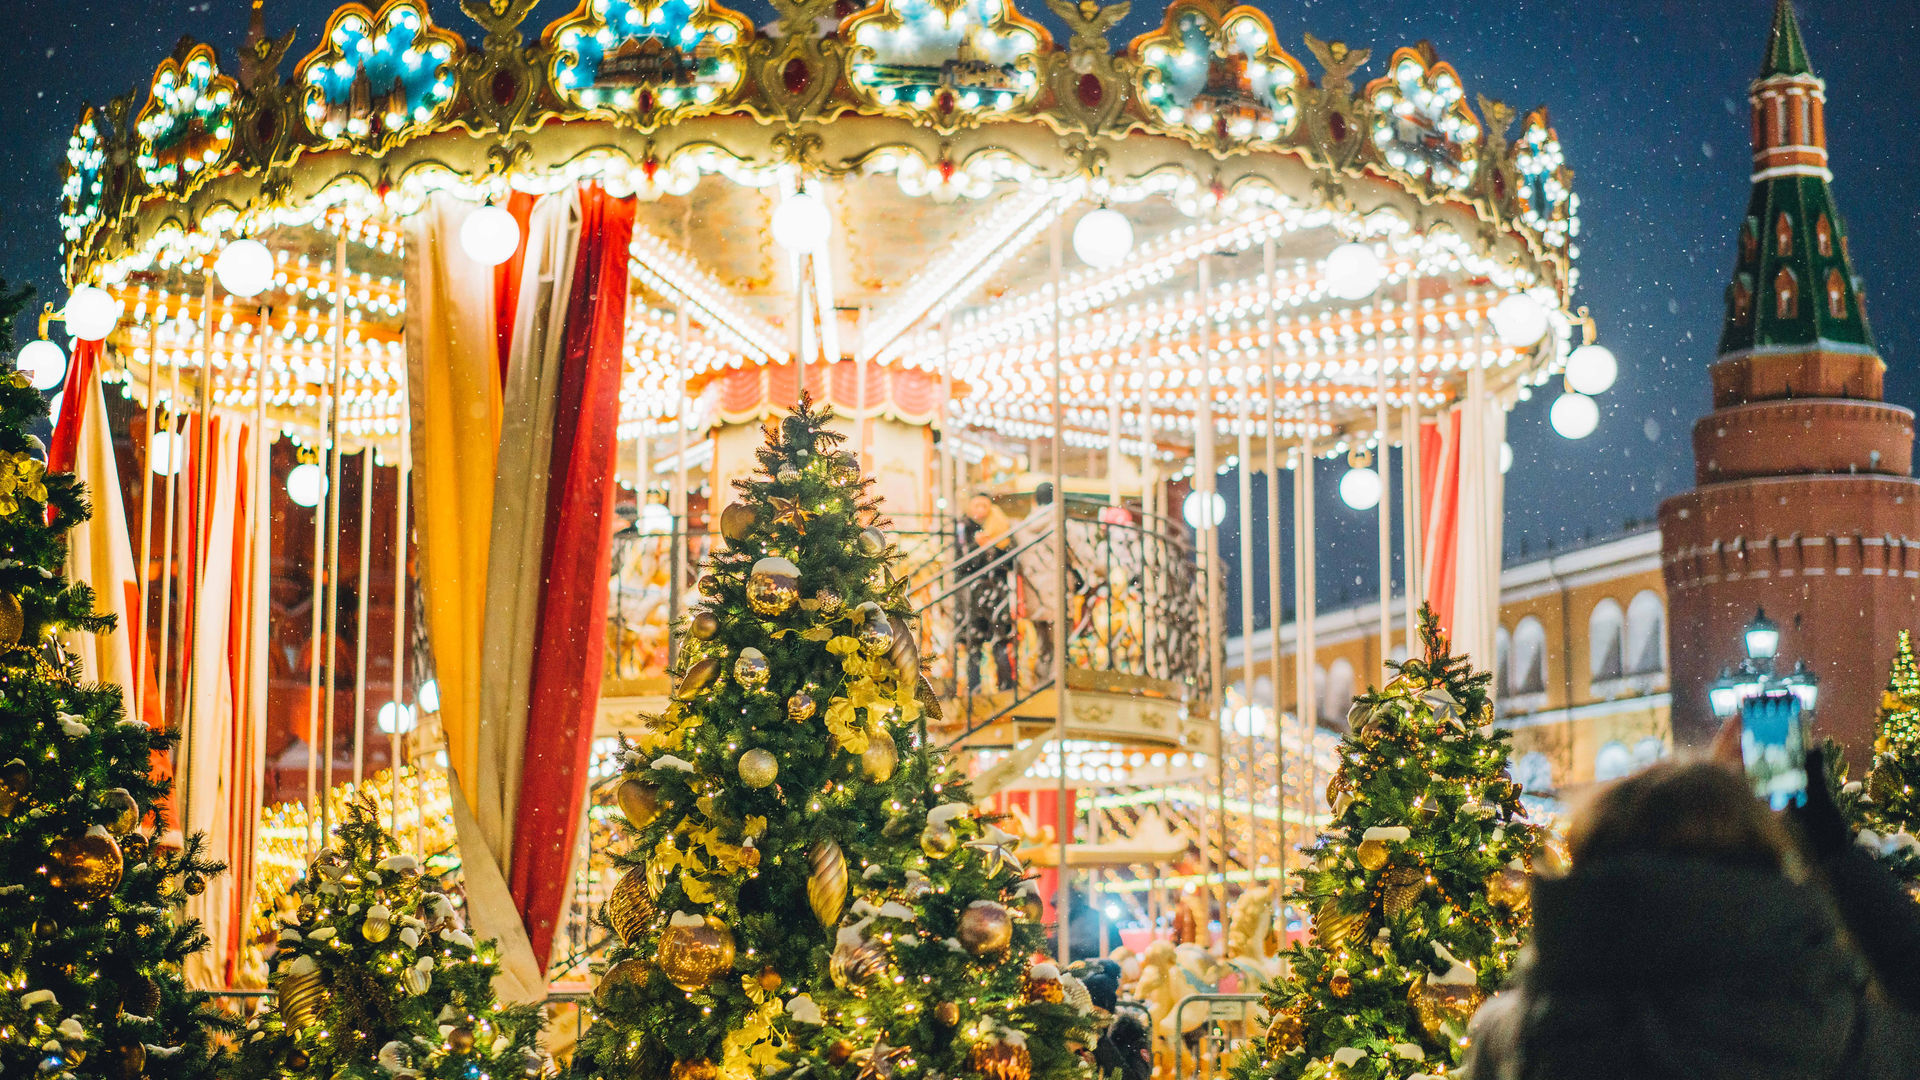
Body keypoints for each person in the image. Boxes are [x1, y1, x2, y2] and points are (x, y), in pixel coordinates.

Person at [1464, 747, 1920, 1080]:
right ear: (1762, 864)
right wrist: (1835, 854)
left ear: (1592, 860)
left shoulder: (1514, 1039)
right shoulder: (1843, 1036)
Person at [959, 494, 1016, 692]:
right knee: (974, 641)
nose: (981, 510)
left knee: (999, 640)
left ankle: (1006, 687)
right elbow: (962, 564)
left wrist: (992, 546)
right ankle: (974, 690)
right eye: (977, 505)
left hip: (997, 594)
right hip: (974, 595)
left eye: (985, 505)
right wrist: (978, 547)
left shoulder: (999, 527)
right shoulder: (964, 529)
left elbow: (1009, 561)